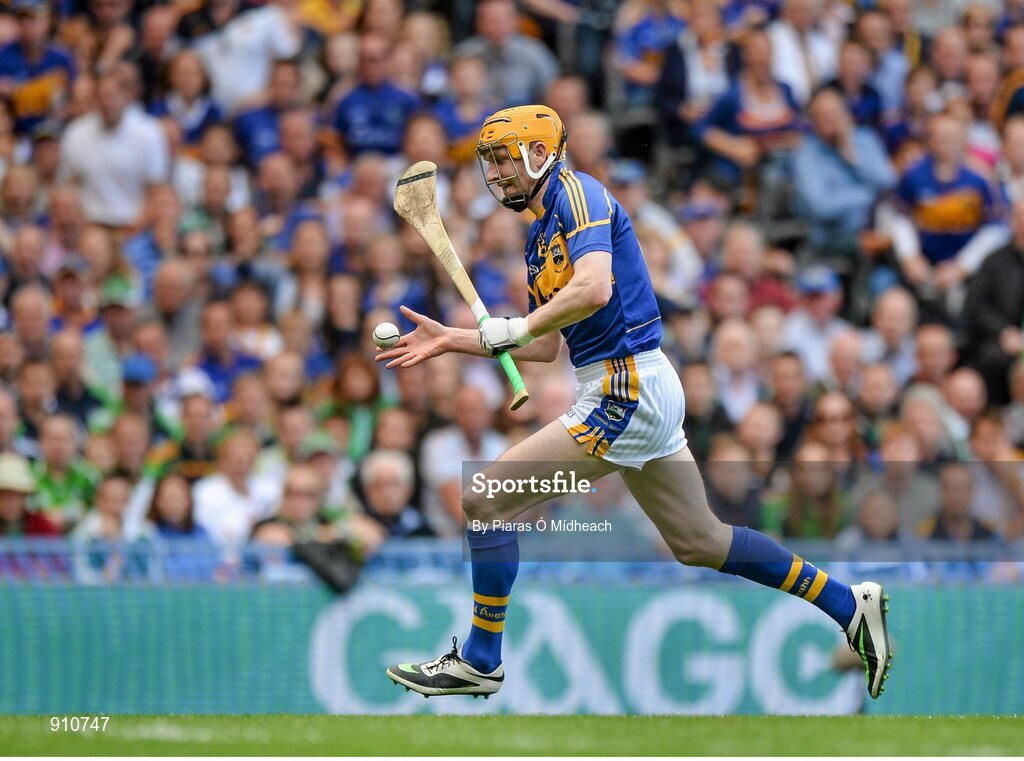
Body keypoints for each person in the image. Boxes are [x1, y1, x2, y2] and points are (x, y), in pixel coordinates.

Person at [375, 104, 892, 700]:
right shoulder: (541, 234)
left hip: (628, 386)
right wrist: (453, 340)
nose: (496, 175)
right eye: (490, 163)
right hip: (627, 386)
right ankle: (848, 604)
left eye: (503, 160)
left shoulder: (579, 194)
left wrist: (511, 329)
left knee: (482, 496)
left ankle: (482, 658)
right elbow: (543, 347)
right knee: (701, 542)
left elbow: (595, 287)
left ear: (541, 154)